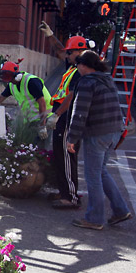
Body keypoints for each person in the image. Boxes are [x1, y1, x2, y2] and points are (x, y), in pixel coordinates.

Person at [66, 50, 132, 230]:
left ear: (84, 65)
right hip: (114, 130)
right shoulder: (106, 79)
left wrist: (71, 138)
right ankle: (120, 210)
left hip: (97, 133)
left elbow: (80, 113)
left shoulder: (87, 82)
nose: (77, 68)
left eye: (78, 64)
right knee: (101, 172)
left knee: (92, 176)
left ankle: (95, 218)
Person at [41, 22, 91, 209]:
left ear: (81, 52)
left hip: (68, 117)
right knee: (60, 155)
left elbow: (71, 95)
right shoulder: (72, 65)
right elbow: (60, 51)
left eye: (71, 52)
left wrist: (58, 115)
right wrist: (50, 35)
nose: (67, 55)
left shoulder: (81, 71)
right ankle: (64, 191)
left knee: (67, 156)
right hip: (61, 116)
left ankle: (71, 197)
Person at [0, 60, 51, 140]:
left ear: (17, 75)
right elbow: (0, 98)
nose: (10, 81)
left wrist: (42, 126)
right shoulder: (12, 85)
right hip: (31, 120)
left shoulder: (31, 82)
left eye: (9, 77)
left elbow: (42, 103)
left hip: (45, 118)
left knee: (40, 146)